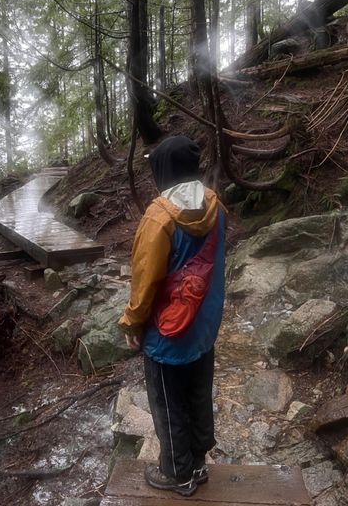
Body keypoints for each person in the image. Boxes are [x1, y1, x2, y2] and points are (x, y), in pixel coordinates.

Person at [118, 135, 226, 497]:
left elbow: (146, 279)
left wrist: (132, 321)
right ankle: (197, 463)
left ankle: (178, 474)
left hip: (169, 331)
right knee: (198, 393)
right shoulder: (215, 206)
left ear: (162, 170)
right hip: (203, 326)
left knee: (167, 402)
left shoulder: (159, 217)